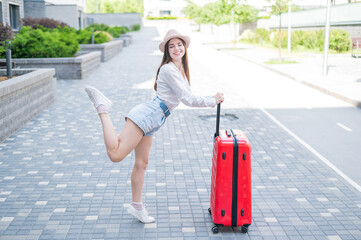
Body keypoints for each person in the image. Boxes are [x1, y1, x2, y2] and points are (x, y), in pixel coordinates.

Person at [84, 29, 224, 224]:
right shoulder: (168, 69)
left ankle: (137, 207)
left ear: (185, 47)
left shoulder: (179, 68)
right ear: (166, 50)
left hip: (155, 119)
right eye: (171, 46)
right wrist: (213, 100)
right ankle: (103, 109)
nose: (176, 48)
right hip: (149, 115)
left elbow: (184, 95)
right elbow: (188, 99)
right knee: (115, 155)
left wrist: (210, 99)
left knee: (141, 163)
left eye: (179, 44)